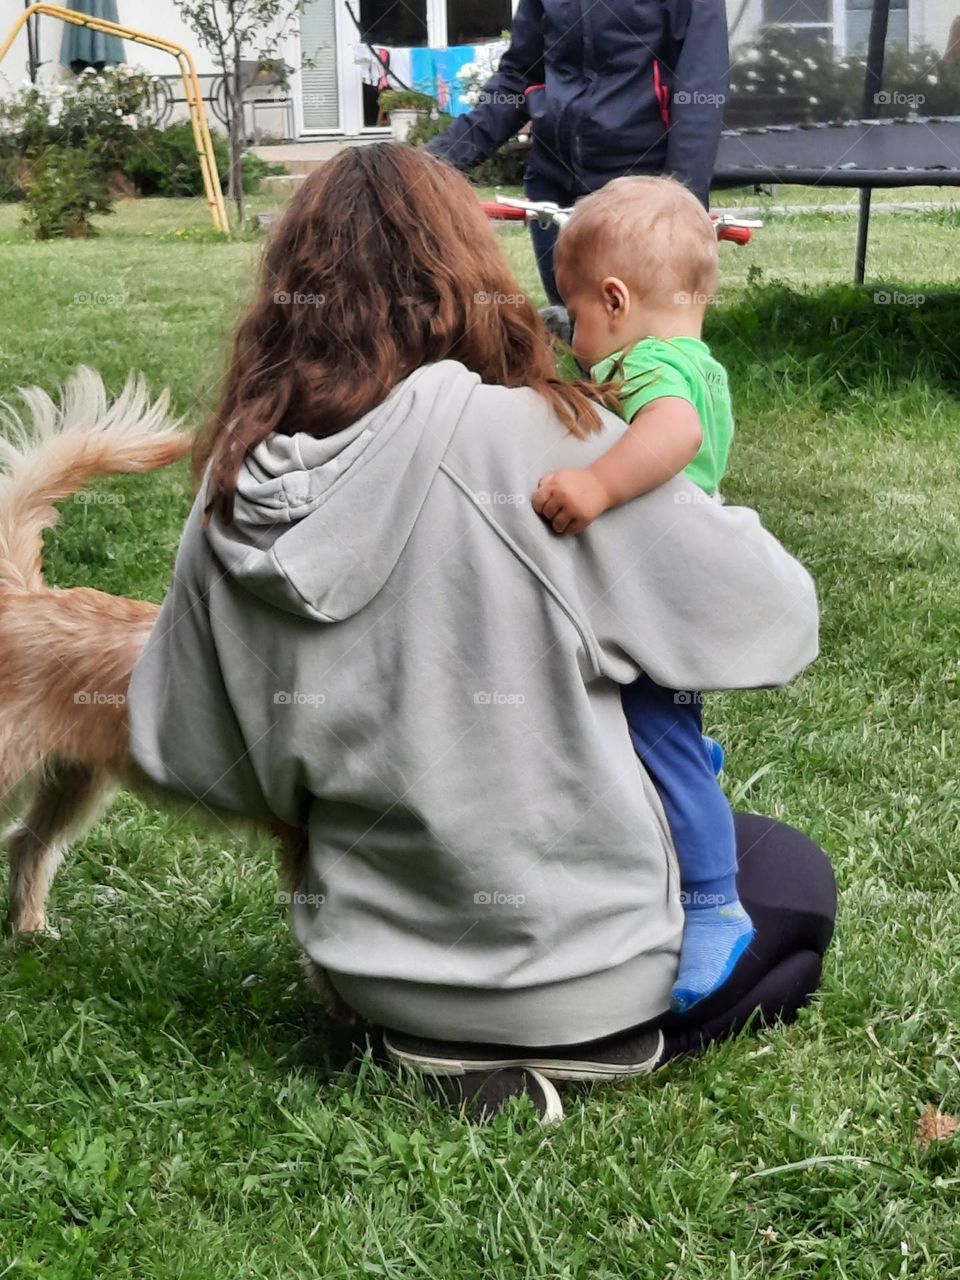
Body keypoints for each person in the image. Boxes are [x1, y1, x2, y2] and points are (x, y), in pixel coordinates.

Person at [127, 144, 835, 1125]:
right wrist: (698, 502)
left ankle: (436, 1040)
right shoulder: (548, 440)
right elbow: (780, 615)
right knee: (792, 873)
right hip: (583, 976)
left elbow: (190, 753)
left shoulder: (230, 486)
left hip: (373, 979)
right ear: (474, 275)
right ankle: (598, 1045)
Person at [532, 174, 748, 1015]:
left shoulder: (651, 364)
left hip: (655, 598)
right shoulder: (696, 360)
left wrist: (594, 489)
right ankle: (691, 767)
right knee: (659, 727)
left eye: (577, 316)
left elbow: (673, 435)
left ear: (615, 300)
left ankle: (715, 903)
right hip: (675, 595)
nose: (576, 335)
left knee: (654, 734)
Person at [427, 0, 729, 304]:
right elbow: (518, 78)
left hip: (639, 192)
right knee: (577, 333)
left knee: (643, 338)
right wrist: (433, 162)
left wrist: (681, 205)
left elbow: (700, 95)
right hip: (553, 184)